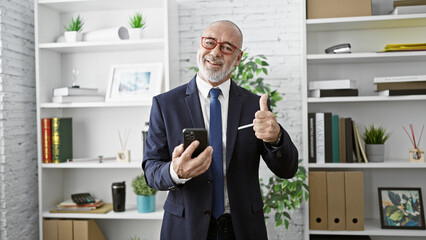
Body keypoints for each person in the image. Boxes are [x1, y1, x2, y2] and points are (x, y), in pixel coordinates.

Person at [142, 20, 298, 240]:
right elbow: (150, 170)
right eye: (210, 42)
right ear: (200, 45)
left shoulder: (256, 106)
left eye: (226, 47)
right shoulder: (165, 104)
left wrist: (276, 138)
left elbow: (287, 170)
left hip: (241, 228)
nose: (215, 52)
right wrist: (175, 171)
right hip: (185, 228)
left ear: (238, 59)